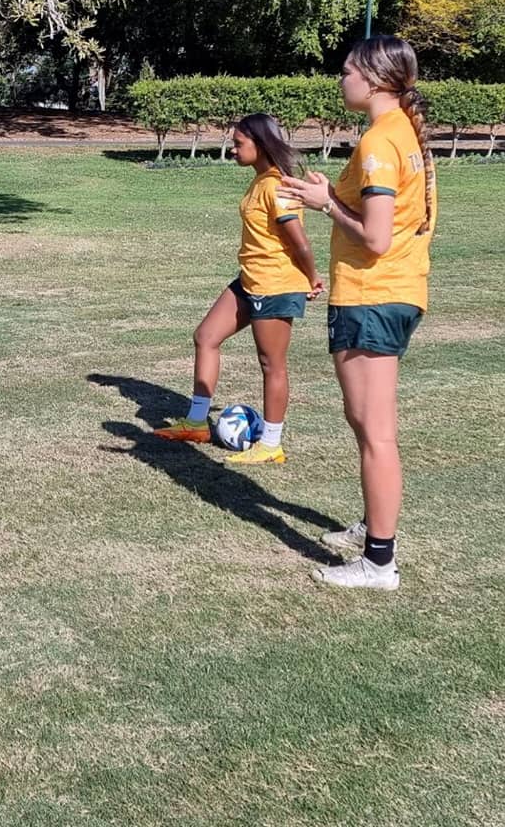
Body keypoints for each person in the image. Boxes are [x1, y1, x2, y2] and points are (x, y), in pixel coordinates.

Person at [278, 36, 437, 591]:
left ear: (372, 79)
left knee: (376, 433)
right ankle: (374, 526)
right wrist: (330, 197)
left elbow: (373, 237)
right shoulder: (398, 133)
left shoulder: (378, 140)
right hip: (389, 291)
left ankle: (378, 562)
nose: (340, 78)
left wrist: (324, 206)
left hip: (374, 293)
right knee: (364, 423)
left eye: (346, 70)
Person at [155, 114, 324, 464]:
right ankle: (198, 423)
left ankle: (271, 443)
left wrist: (312, 278)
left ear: (260, 145)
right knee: (206, 336)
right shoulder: (260, 181)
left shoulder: (278, 185)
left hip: (275, 285)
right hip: (250, 279)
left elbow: (300, 242)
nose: (233, 149)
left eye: (239, 144)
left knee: (271, 363)